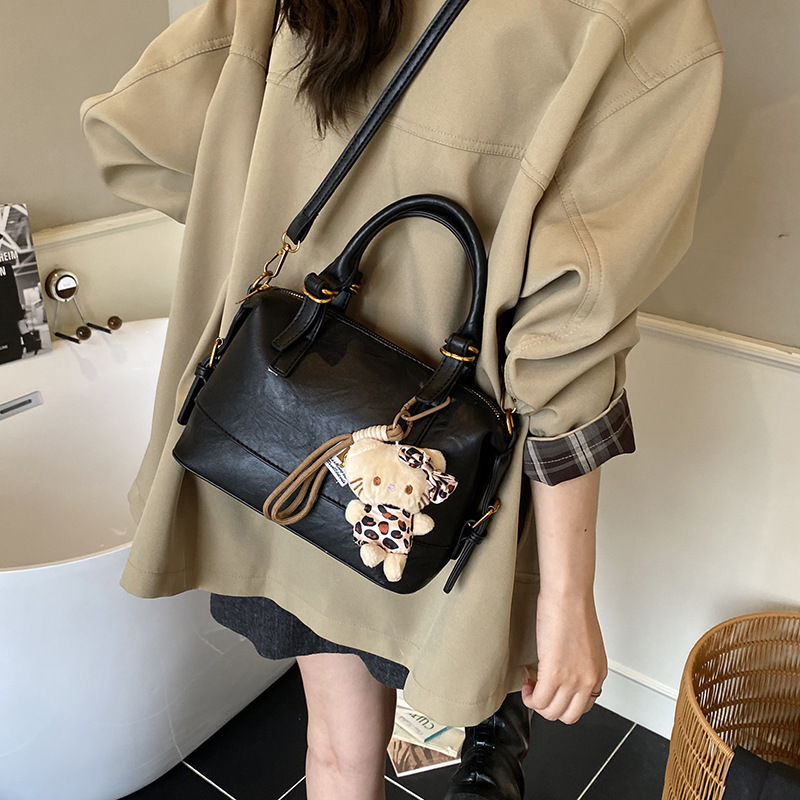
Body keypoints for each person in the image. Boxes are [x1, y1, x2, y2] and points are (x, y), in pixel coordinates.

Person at [80, 1, 723, 797]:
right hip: (437, 492)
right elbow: (566, 349)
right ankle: (486, 736)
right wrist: (565, 595)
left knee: (336, 753)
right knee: (439, 689)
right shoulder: (641, 17)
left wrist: (260, 212)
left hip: (271, 451)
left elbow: (133, 135)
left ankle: (477, 736)